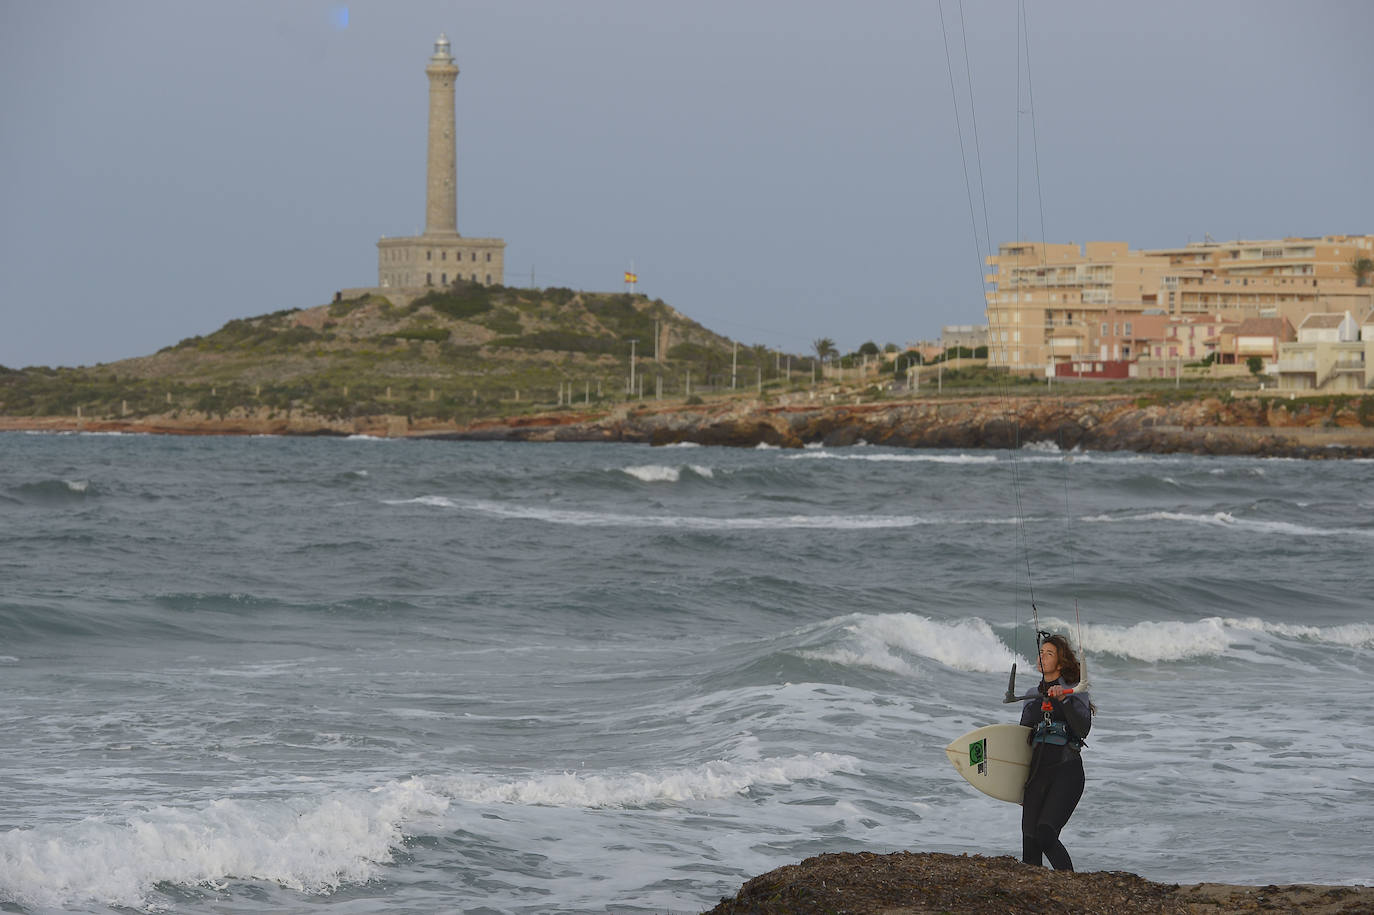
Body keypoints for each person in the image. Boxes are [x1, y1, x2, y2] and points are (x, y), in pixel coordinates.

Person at [1019, 633, 1092, 871]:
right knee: (1030, 843)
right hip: (1037, 773)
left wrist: (1064, 700)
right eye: (1041, 652)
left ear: (1060, 664)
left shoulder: (1075, 691)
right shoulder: (1032, 693)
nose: (1042, 656)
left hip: (1066, 771)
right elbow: (1022, 737)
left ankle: (1072, 886)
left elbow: (1083, 729)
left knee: (1046, 833)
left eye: (1049, 654)